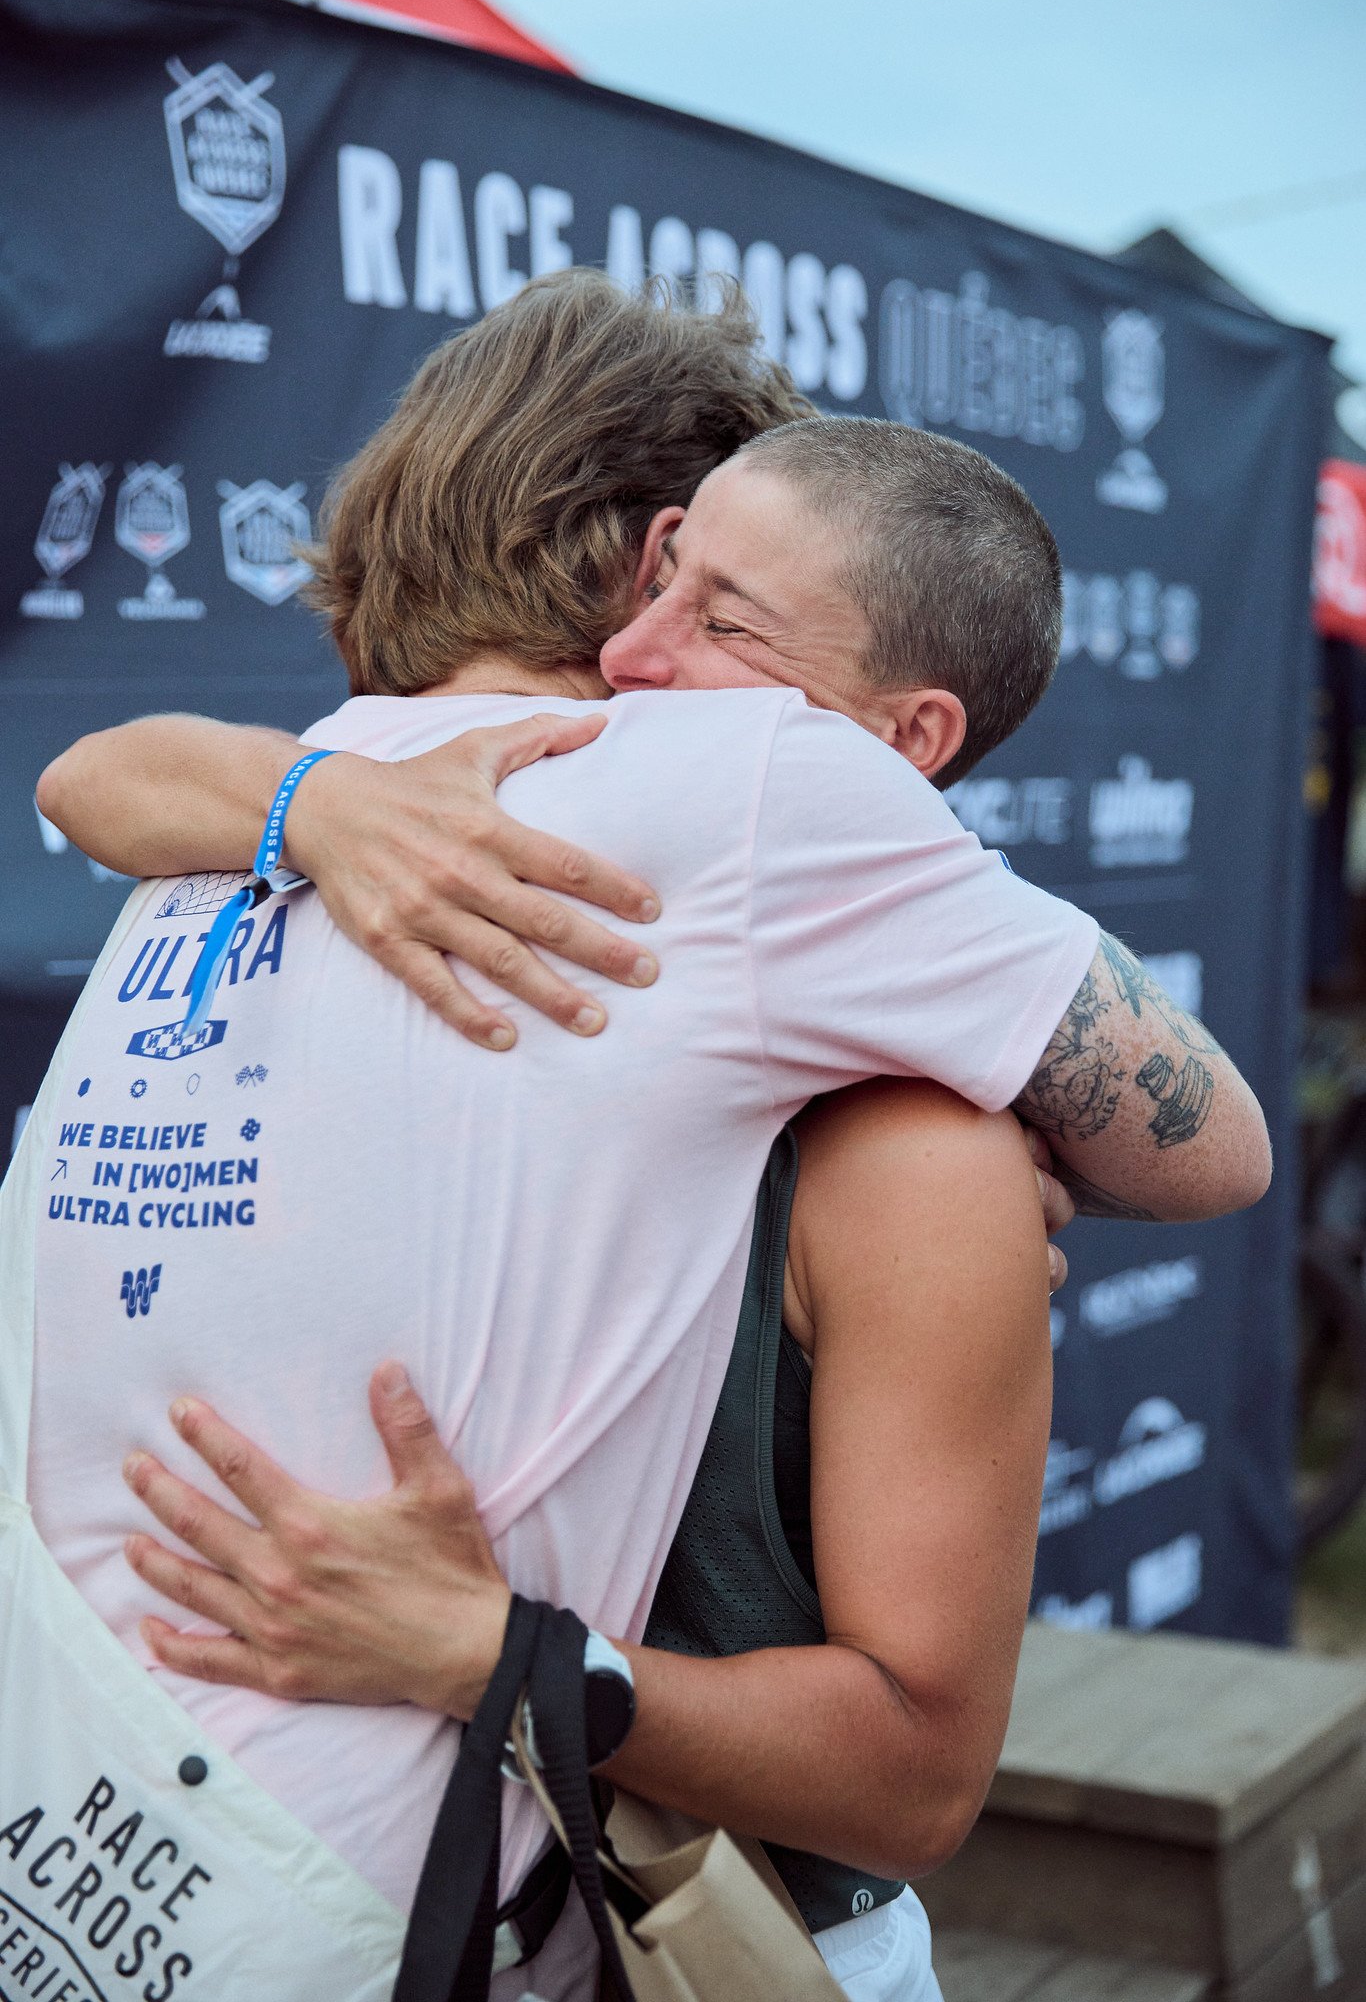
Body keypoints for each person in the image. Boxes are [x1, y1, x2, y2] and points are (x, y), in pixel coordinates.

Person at [30, 274, 1268, 2002]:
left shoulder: (244, 823)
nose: (655, 648)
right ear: (633, 550)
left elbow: (85, 776)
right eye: (668, 569)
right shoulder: (752, 783)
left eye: (729, 602)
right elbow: (1208, 1147)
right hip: (431, 1909)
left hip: (94, 1850)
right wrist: (994, 1111)